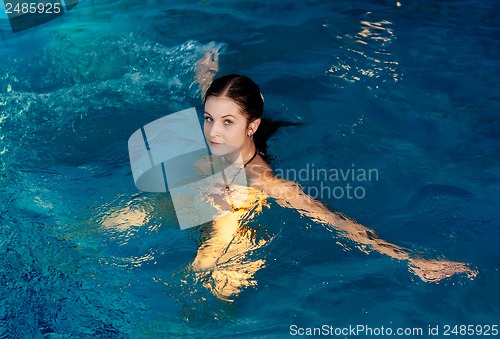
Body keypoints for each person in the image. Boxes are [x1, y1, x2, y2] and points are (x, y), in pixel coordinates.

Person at [191, 49, 477, 302]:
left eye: (228, 122)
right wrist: (207, 74)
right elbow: (215, 102)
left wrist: (412, 259)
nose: (214, 131)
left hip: (237, 229)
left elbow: (335, 220)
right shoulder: (223, 141)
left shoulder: (263, 180)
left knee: (211, 285)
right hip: (205, 204)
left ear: (251, 126)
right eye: (208, 118)